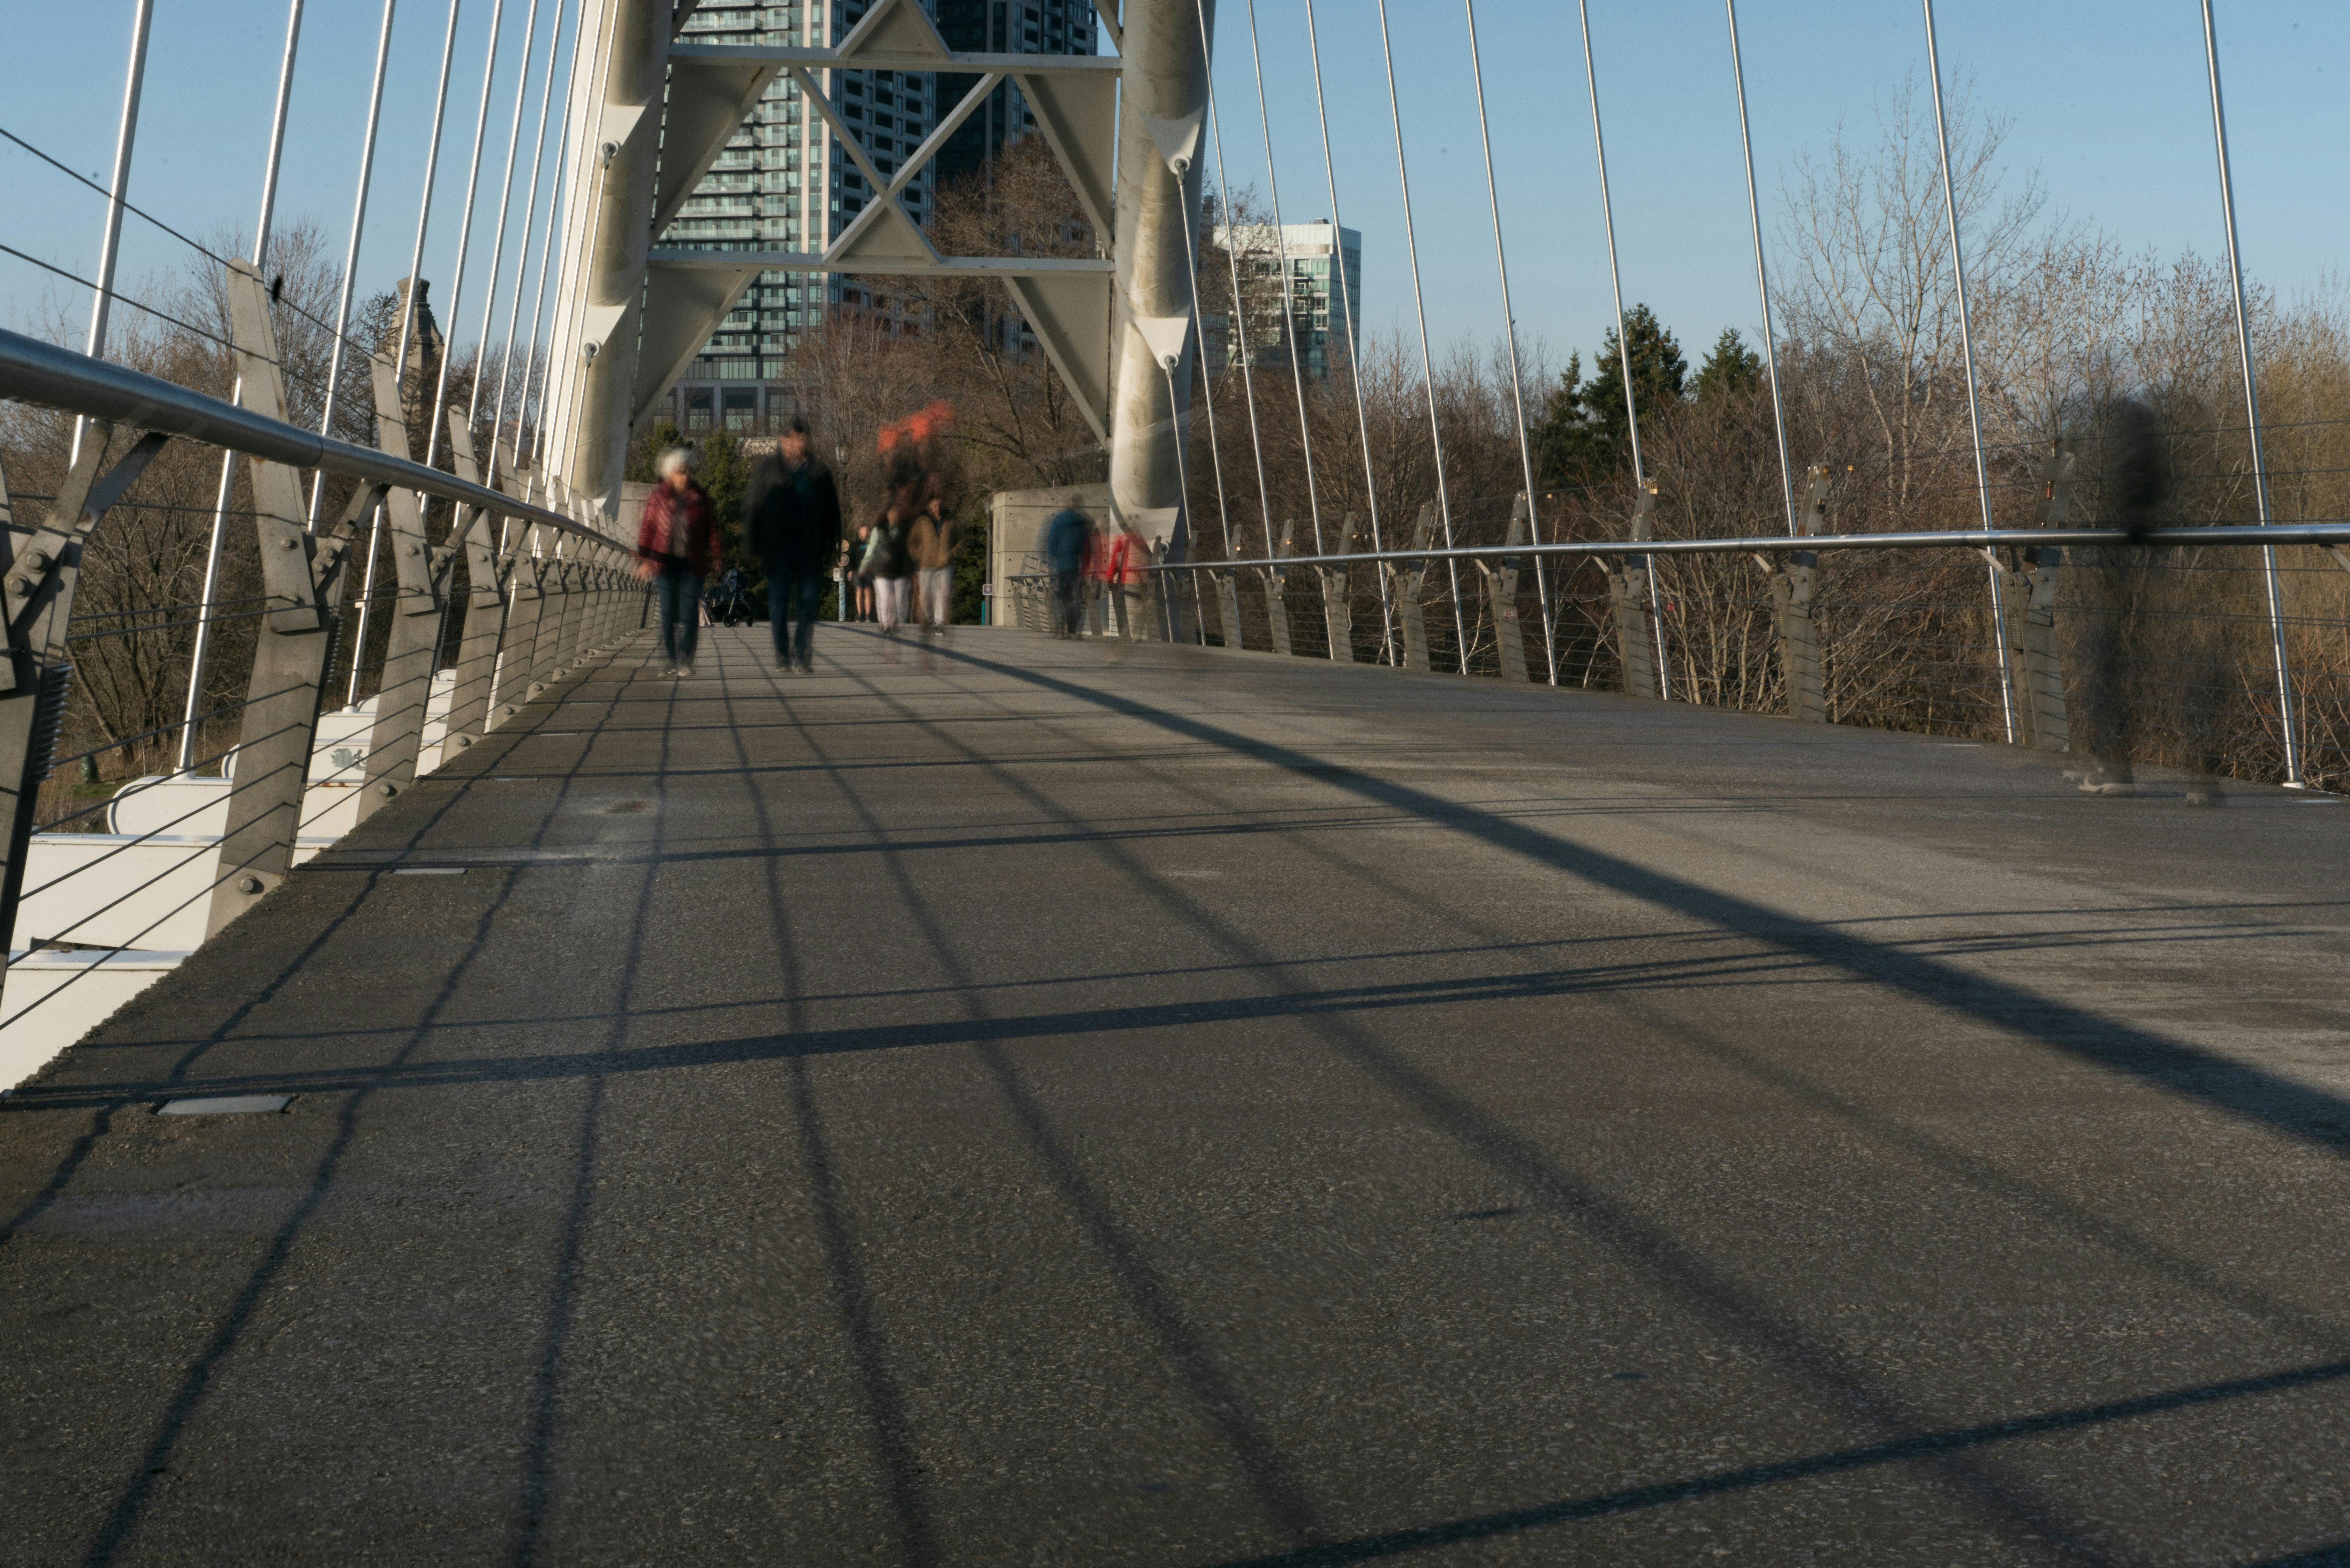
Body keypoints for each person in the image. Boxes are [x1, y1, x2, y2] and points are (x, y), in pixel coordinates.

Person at [746, 417, 844, 674]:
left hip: (808, 547)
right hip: (777, 549)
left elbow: (833, 512)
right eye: (792, 438)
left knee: (808, 602)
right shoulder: (769, 469)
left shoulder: (819, 472)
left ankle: (801, 654)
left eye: (802, 438)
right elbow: (755, 508)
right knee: (778, 602)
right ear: (782, 440)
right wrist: (753, 545)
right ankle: (782, 654)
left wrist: (835, 547)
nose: (798, 443)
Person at [636, 447, 719, 676]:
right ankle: (670, 660)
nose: (685, 476)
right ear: (670, 474)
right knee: (666, 613)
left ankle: (685, 659)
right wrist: (644, 560)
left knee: (689, 613)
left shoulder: (699, 497)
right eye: (680, 472)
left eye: (687, 471)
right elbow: (648, 529)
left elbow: (712, 528)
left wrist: (718, 554)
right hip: (664, 562)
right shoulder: (659, 497)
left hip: (692, 563)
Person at [862, 466, 919, 656]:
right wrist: (864, 567)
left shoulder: (905, 530)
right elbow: (872, 550)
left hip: (901, 570)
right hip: (883, 570)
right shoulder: (880, 531)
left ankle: (897, 624)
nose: (895, 515)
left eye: (898, 513)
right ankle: (886, 625)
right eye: (892, 513)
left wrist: (914, 568)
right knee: (886, 598)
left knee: (901, 598)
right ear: (887, 515)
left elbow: (912, 549)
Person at [906, 480, 961, 664]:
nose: (937, 508)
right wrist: (918, 554)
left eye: (940, 505)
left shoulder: (952, 518)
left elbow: (961, 540)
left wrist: (952, 553)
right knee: (926, 595)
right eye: (934, 505)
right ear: (929, 507)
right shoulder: (922, 521)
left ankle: (939, 623)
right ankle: (927, 622)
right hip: (926, 564)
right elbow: (911, 542)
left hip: (945, 564)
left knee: (943, 594)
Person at [1043, 496, 1094, 639]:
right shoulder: (1082, 522)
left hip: (1062, 567)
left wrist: (1051, 564)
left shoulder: (1058, 521)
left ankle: (1061, 631)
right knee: (1078, 599)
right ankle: (1076, 631)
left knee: (1060, 598)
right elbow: (1087, 546)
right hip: (1078, 568)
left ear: (1066, 505)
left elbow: (1052, 544)